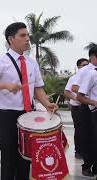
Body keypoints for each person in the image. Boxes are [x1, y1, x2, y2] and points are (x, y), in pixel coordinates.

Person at [0, 22, 57, 180]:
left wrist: (47, 104)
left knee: (26, 159)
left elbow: (38, 88)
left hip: (29, 115)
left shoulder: (31, 62)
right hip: (8, 116)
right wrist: (5, 85)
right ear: (11, 39)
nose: (27, 39)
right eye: (22, 35)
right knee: (9, 159)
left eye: (27, 35)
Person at [74, 46, 97, 177]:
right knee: (89, 139)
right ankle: (87, 165)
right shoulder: (87, 72)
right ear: (93, 57)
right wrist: (93, 102)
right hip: (88, 109)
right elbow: (76, 90)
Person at [64, 58, 89, 159]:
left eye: (88, 64)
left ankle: (87, 150)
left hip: (88, 107)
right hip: (77, 107)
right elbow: (67, 92)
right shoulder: (74, 78)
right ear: (79, 67)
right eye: (84, 65)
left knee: (88, 129)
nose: (86, 67)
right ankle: (78, 151)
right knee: (79, 130)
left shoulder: (90, 77)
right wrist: (79, 99)